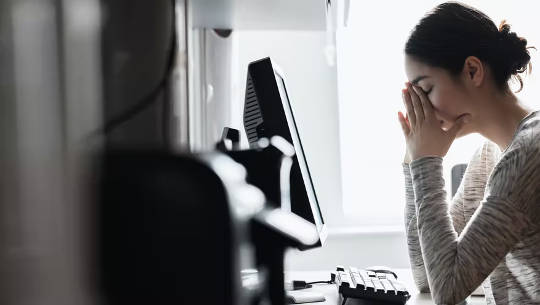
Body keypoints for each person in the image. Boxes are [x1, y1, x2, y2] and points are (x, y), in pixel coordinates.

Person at [398, 2, 540, 305]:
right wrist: (414, 158)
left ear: (473, 70)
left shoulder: (530, 152)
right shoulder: (489, 157)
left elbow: (448, 290)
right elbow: (427, 274)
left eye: (426, 89)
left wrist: (427, 162)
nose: (420, 108)